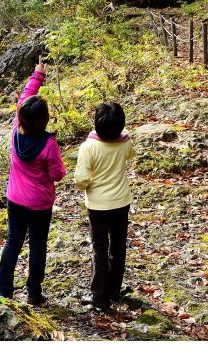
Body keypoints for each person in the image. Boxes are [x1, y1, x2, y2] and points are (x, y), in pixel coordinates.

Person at [0, 55, 67, 306]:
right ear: (45, 120)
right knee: (38, 246)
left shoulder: (17, 128)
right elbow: (58, 174)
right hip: (39, 204)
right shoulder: (48, 144)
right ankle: (33, 293)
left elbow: (24, 98)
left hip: (15, 198)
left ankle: (4, 290)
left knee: (13, 241)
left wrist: (38, 74)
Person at [74, 101, 135, 312]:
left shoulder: (88, 147)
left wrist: (91, 185)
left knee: (99, 248)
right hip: (121, 202)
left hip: (98, 205)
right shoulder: (125, 142)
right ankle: (114, 291)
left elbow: (80, 180)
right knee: (118, 247)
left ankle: (99, 296)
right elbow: (130, 154)